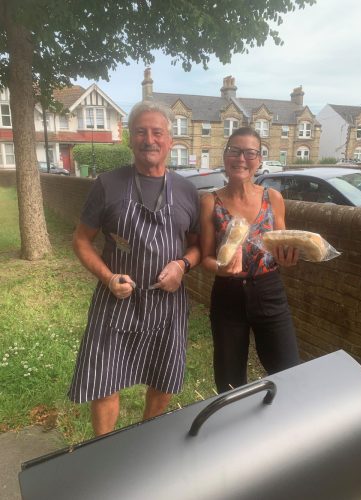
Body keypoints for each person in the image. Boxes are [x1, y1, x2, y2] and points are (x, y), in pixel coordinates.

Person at [68, 101, 200, 435]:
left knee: (163, 378)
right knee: (104, 382)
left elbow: (200, 246)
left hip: (167, 305)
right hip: (116, 302)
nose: (149, 139)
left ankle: (145, 446)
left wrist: (183, 265)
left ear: (170, 140)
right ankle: (104, 452)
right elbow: (81, 241)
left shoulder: (187, 191)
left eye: (157, 132)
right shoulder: (107, 184)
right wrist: (108, 277)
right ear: (130, 138)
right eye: (141, 131)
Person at [200, 126, 300, 394]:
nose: (241, 158)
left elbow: (282, 245)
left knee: (289, 370)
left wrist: (287, 258)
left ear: (258, 160)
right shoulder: (211, 202)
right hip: (227, 296)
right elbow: (206, 257)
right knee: (229, 380)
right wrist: (221, 269)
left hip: (269, 291)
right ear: (225, 156)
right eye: (234, 151)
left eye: (249, 153)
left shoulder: (273, 199)